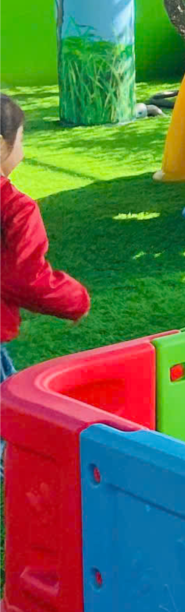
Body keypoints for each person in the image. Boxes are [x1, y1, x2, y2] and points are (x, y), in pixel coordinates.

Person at [0, 93, 91, 394]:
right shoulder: (15, 208)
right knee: (9, 415)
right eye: (21, 139)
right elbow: (25, 277)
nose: (22, 149)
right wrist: (75, 299)